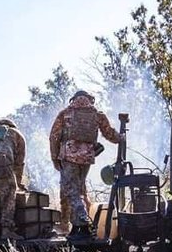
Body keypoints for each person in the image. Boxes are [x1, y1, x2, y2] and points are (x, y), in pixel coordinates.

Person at [49, 91, 121, 240]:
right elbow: (109, 134)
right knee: (80, 190)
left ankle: (83, 219)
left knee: (71, 191)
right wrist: (121, 138)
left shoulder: (65, 113)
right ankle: (77, 227)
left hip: (69, 156)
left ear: (73, 99)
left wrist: (55, 158)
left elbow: (54, 136)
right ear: (90, 100)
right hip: (87, 157)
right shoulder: (97, 114)